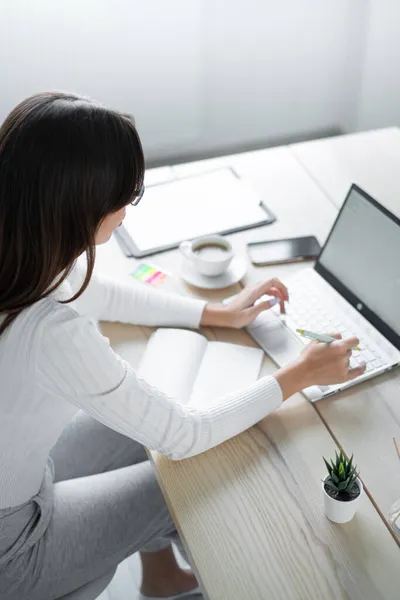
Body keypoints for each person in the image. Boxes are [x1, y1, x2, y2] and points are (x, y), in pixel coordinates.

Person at [0, 92, 366, 600]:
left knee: (141, 426)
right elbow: (186, 436)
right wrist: (299, 374)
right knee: (181, 483)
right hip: (14, 550)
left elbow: (95, 288)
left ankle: (162, 577)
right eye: (125, 196)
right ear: (79, 206)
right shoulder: (52, 334)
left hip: (21, 476)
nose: (127, 209)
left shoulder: (20, 253)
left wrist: (216, 312)